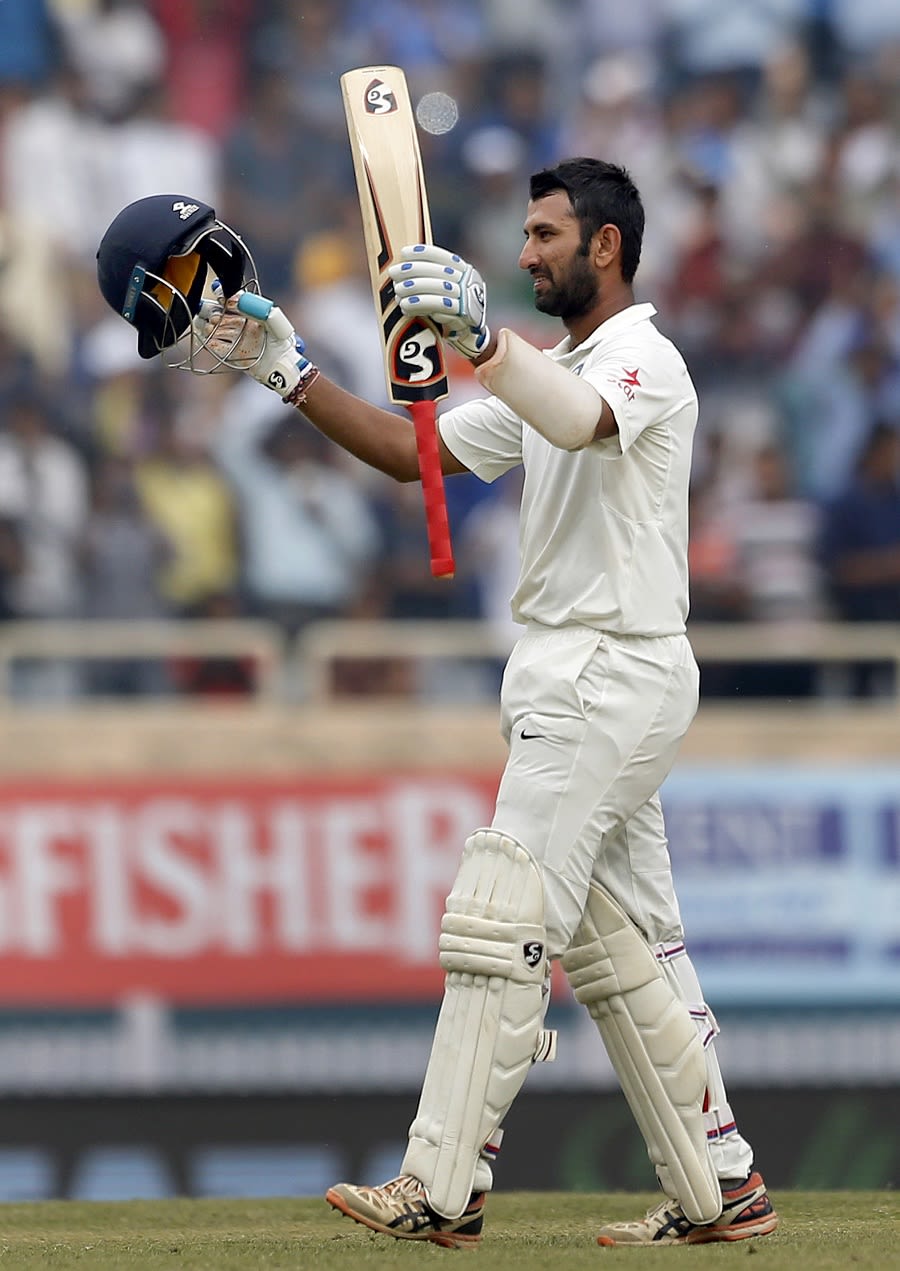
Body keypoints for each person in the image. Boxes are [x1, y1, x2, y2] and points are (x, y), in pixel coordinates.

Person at [96, 163, 779, 1249]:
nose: (525, 254)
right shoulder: (551, 368)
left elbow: (584, 422)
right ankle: (722, 1182)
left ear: (605, 246)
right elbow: (408, 457)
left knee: (500, 918)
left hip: (610, 669)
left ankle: (442, 1183)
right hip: (578, 672)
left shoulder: (642, 359)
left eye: (545, 235)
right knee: (626, 944)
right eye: (523, 235)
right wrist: (292, 372)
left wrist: (484, 340)